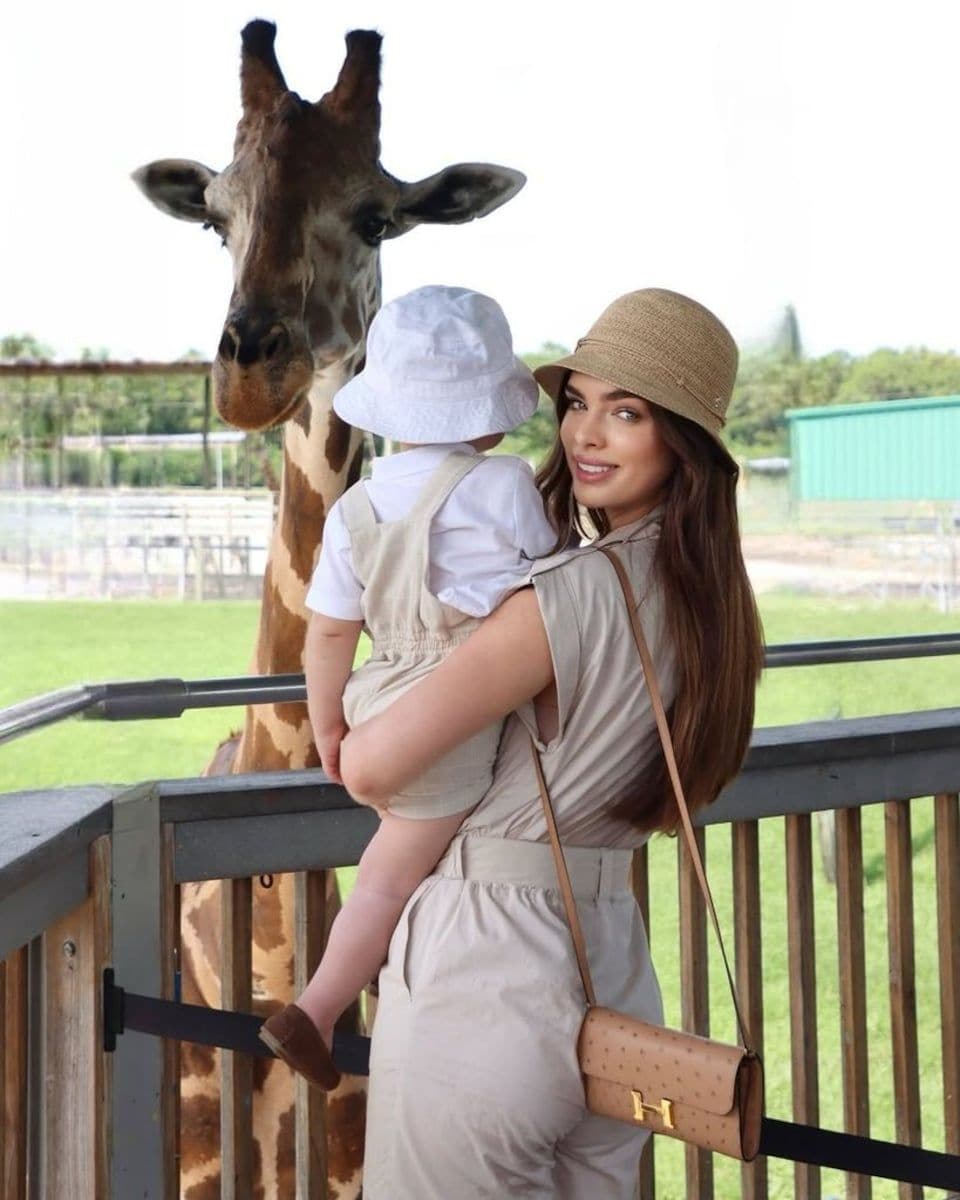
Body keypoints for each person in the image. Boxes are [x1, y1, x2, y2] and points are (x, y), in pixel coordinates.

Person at [336, 287, 765, 1198]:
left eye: (628, 412)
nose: (587, 435)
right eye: (577, 403)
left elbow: (374, 763)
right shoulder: (711, 604)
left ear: (679, 439)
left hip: (484, 963)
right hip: (611, 953)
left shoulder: (559, 597)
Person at [259, 285, 556, 1085]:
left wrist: (330, 729)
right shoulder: (504, 485)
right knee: (395, 876)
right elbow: (549, 587)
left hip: (377, 690)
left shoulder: (357, 504)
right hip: (454, 700)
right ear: (488, 410)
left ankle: (348, 1005)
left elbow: (328, 631)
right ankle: (318, 1010)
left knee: (395, 861)